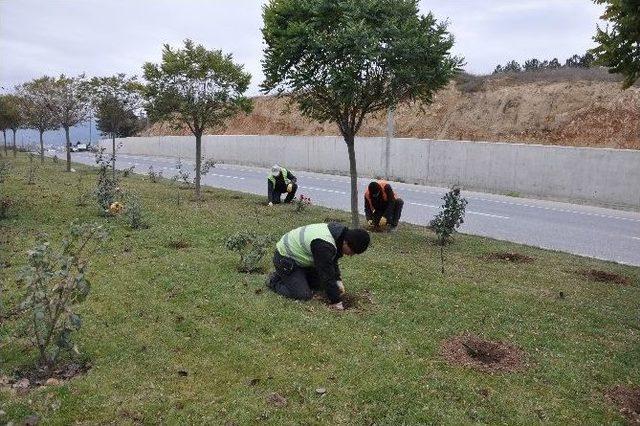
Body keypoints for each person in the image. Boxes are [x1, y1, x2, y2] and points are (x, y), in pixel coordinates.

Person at [267, 223, 370, 310]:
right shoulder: (323, 245)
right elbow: (326, 274)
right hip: (286, 259)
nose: (351, 255)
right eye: (352, 252)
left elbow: (332, 261)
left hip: (301, 261)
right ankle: (274, 281)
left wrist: (337, 280)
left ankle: (294, 277)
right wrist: (336, 301)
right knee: (303, 295)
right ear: (346, 243)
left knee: (322, 285)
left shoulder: (339, 234)